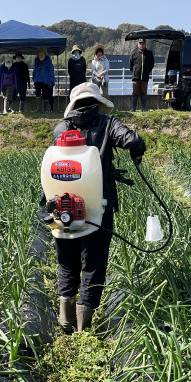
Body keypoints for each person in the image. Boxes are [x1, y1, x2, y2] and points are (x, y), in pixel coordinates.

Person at [52, 82, 146, 333]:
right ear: (97, 102)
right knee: (93, 262)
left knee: (67, 261)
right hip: (97, 206)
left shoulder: (61, 128)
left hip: (64, 206)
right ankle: (84, 327)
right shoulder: (108, 124)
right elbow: (132, 140)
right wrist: (137, 151)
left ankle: (66, 322)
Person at [129, 38, 155, 111]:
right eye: (140, 43)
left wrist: (147, 71)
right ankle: (133, 108)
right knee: (135, 93)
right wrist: (135, 71)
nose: (141, 45)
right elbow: (130, 65)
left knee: (143, 92)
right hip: (136, 77)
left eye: (143, 43)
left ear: (145, 44)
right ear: (138, 44)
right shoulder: (134, 54)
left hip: (145, 77)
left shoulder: (149, 53)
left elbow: (151, 65)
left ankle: (143, 108)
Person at [33, 47, 55, 113]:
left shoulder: (48, 61)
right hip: (37, 79)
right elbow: (34, 70)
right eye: (39, 53)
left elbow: (50, 71)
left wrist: (51, 80)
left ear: (45, 54)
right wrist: (34, 78)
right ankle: (39, 109)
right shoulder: (36, 60)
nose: (41, 55)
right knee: (37, 93)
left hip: (46, 80)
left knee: (45, 95)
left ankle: (44, 109)